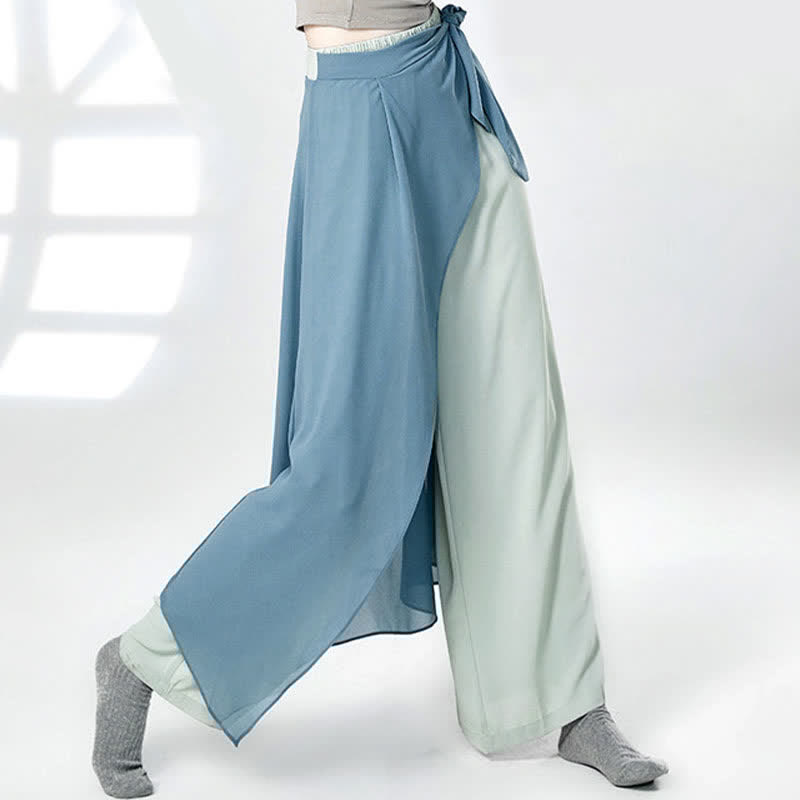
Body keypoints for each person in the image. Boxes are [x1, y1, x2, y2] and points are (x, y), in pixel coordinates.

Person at [91, 4, 669, 796]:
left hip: (449, 95)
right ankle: (146, 657)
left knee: (514, 424)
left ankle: (564, 701)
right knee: (345, 464)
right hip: (361, 112)